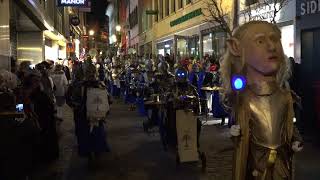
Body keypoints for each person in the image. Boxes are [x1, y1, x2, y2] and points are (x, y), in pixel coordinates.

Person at [221, 21, 303, 180]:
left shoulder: (285, 96)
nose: (272, 46)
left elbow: (288, 127)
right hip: (256, 169)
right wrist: (236, 134)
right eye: (260, 41)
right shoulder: (245, 98)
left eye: (274, 39)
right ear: (236, 48)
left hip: (281, 167)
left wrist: (295, 139)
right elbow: (242, 140)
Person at [67, 63, 110, 168]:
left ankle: (97, 156)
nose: (90, 74)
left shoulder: (100, 85)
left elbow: (107, 100)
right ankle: (90, 158)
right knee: (86, 138)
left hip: (96, 117)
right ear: (84, 73)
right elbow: (68, 98)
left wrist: (104, 110)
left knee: (97, 137)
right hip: (83, 117)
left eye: (92, 72)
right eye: (88, 72)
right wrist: (76, 107)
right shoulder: (78, 85)